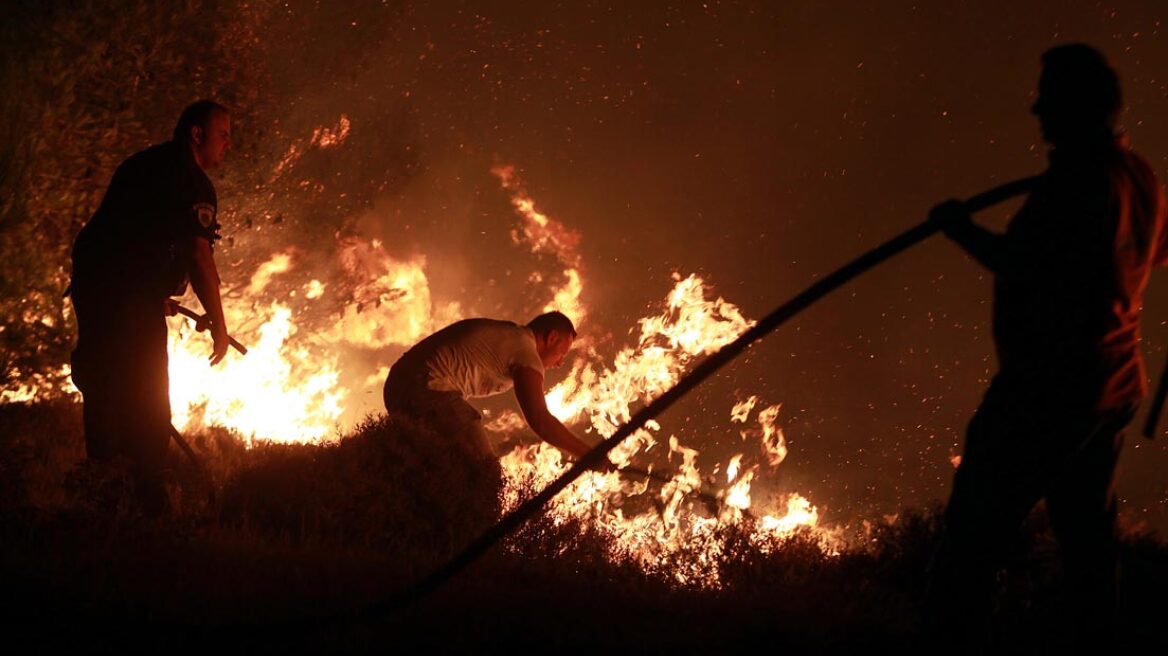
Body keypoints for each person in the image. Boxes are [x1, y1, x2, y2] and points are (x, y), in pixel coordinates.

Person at [926, 44, 1168, 648]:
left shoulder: (1080, 184)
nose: (1035, 108)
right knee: (1087, 538)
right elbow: (1152, 248)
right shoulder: (1137, 175)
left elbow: (1025, 264)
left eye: (1048, 97)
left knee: (973, 536)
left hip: (1048, 392)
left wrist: (959, 229)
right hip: (1110, 388)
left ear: (1078, 107)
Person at [69, 100, 233, 514]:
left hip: (97, 291)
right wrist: (218, 323)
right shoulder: (193, 182)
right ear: (196, 135)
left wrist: (148, 287)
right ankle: (148, 498)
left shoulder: (141, 164)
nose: (227, 145)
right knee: (147, 396)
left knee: (105, 387)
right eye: (223, 135)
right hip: (125, 297)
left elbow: (120, 233)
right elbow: (199, 258)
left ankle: (102, 491)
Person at [383, 312, 600, 509]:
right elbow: (539, 420)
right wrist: (590, 455)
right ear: (551, 337)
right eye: (562, 352)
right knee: (487, 475)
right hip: (424, 386)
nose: (560, 362)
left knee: (445, 468)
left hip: (398, 386)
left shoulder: (508, 336)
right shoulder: (525, 350)